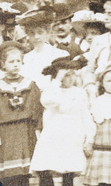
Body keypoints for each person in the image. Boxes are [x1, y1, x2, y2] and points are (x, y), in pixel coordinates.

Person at [30, 57, 94, 186]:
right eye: (66, 75)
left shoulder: (80, 93)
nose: (71, 79)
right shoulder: (52, 91)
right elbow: (48, 101)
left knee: (68, 172)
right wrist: (57, 81)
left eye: (73, 75)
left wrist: (89, 139)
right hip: (53, 135)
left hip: (72, 135)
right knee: (46, 168)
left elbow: (86, 116)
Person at [0, 42, 43, 186]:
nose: (15, 64)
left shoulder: (30, 85)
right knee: (8, 173)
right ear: (3, 64)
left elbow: (37, 109)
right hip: (6, 132)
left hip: (25, 130)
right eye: (11, 61)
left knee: (25, 173)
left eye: (18, 61)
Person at [17, 7, 69, 90]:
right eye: (32, 33)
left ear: (47, 33)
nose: (36, 37)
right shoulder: (26, 58)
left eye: (40, 32)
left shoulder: (60, 55)